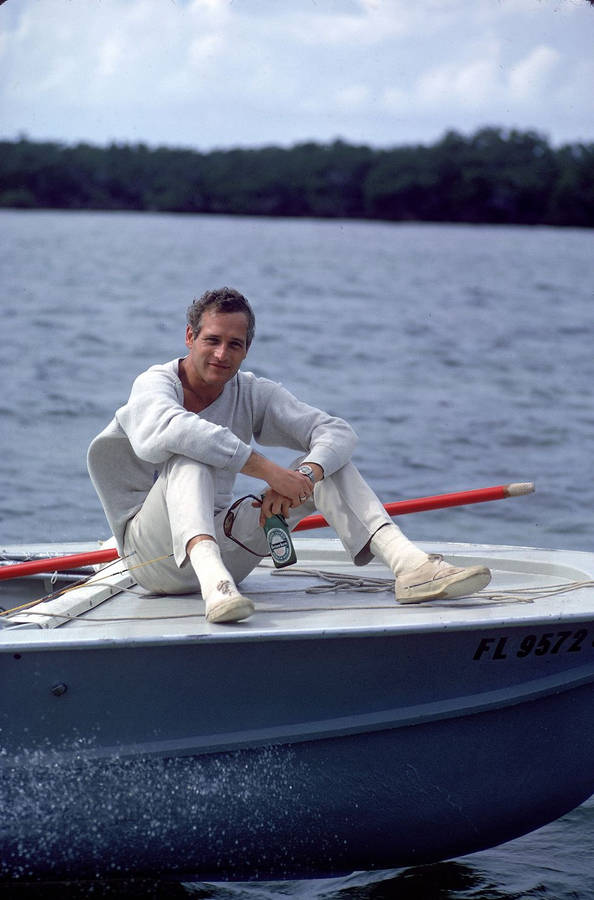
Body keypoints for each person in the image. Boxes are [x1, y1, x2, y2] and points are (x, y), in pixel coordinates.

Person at [88, 287, 491, 624]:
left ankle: (410, 566)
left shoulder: (251, 392)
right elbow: (173, 430)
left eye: (235, 345)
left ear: (247, 350)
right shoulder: (154, 384)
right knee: (190, 454)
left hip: (228, 552)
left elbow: (336, 431)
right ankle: (216, 588)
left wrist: (305, 477)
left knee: (328, 462)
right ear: (190, 337)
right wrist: (267, 470)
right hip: (152, 559)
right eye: (212, 340)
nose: (221, 354)